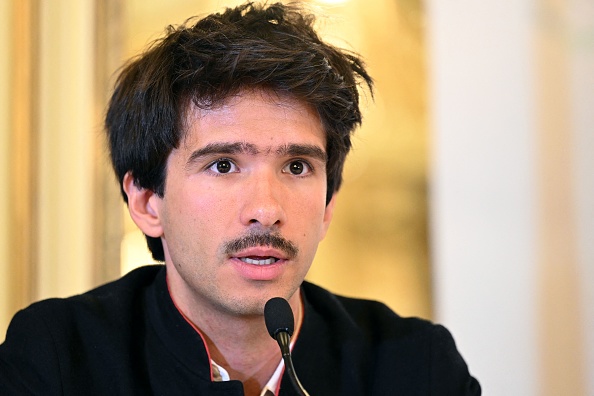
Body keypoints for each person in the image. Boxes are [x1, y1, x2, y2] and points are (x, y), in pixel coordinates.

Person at [0, 2, 480, 395]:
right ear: (148, 203)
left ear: (329, 202)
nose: (266, 210)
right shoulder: (58, 357)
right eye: (224, 165)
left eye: (297, 167)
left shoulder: (415, 366)